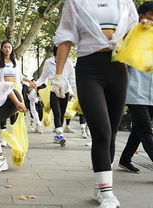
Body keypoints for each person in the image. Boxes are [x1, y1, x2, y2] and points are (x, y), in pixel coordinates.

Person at [53, 0, 138, 207]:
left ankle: (102, 185)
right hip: (89, 69)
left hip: (118, 69)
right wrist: (58, 75)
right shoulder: (75, 3)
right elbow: (65, 37)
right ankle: (107, 193)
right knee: (102, 132)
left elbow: (132, 33)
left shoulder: (124, 2)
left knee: (112, 133)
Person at [119, 1, 153, 174]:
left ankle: (125, 159)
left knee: (139, 130)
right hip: (135, 92)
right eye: (152, 18)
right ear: (141, 17)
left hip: (151, 94)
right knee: (146, 129)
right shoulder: (131, 36)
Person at [0, 40, 35, 146]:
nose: (7, 49)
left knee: (14, 113)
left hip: (15, 89)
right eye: (5, 47)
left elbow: (20, 77)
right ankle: (4, 138)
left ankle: (13, 137)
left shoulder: (16, 63)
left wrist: (30, 82)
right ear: (2, 49)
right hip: (2, 90)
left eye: (9, 47)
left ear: (11, 49)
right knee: (3, 113)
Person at [33, 46, 76, 147]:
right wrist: (36, 84)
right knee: (56, 112)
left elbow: (72, 78)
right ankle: (60, 134)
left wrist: (75, 92)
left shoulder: (68, 62)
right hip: (52, 89)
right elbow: (44, 76)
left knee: (61, 112)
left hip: (65, 90)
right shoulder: (49, 62)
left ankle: (57, 135)